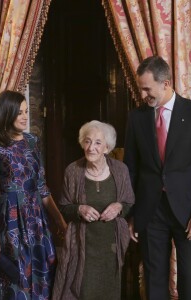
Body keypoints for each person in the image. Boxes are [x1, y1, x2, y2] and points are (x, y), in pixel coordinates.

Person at [124, 56, 191, 300]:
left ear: (165, 84)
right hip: (150, 210)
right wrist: (132, 213)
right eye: (141, 88)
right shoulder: (137, 118)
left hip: (187, 211)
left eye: (147, 88)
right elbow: (131, 168)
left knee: (188, 276)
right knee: (154, 276)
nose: (143, 94)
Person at [0, 90, 66, 299]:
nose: (25, 116)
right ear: (7, 113)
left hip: (36, 218)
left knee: (44, 268)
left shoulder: (32, 141)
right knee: (16, 275)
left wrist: (60, 222)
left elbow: (42, 187)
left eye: (26, 111)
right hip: (9, 219)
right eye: (19, 112)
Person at [52, 120, 135, 300]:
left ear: (107, 147)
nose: (91, 148)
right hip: (82, 246)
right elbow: (64, 207)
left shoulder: (121, 170)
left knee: (109, 294)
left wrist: (119, 206)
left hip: (111, 247)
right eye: (88, 141)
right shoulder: (73, 171)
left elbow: (129, 203)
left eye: (98, 143)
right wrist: (79, 209)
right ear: (82, 143)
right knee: (83, 291)